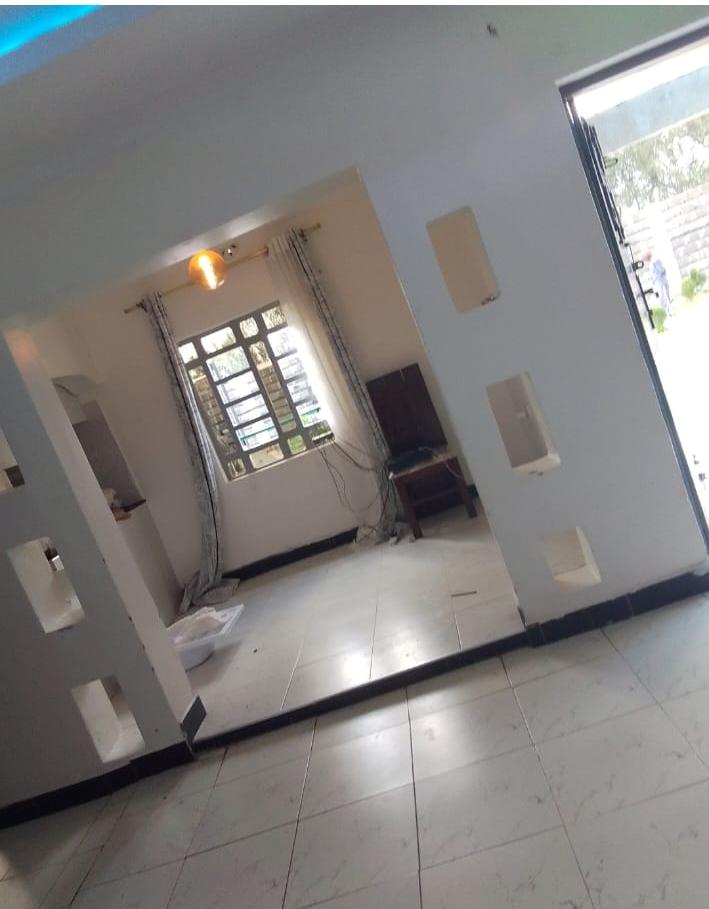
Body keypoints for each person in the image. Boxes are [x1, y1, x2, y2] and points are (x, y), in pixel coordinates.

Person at [643, 250, 672, 314]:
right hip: (658, 283)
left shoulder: (655, 261)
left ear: (647, 256)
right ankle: (667, 311)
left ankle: (669, 312)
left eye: (645, 258)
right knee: (663, 298)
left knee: (664, 297)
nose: (645, 260)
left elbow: (662, 270)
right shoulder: (651, 263)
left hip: (661, 282)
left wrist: (657, 277)